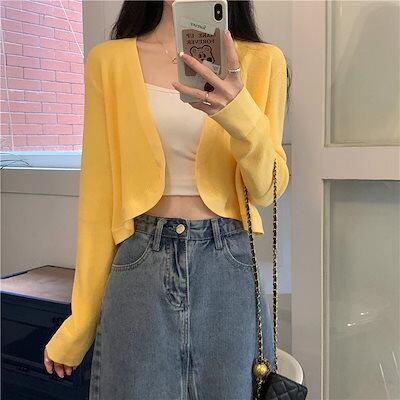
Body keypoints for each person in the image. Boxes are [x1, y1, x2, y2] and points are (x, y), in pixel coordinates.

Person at [43, 1, 291, 398]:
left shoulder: (263, 62)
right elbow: (97, 201)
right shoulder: (109, 62)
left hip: (228, 266)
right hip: (140, 262)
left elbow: (267, 189)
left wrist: (238, 111)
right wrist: (80, 323)